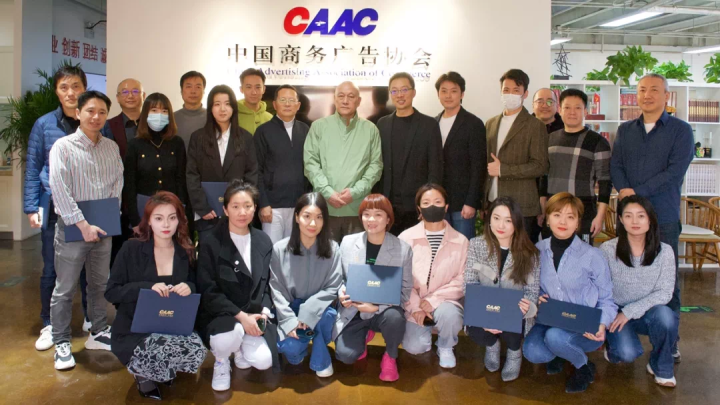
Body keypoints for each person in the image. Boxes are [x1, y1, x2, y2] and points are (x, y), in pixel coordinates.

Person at [610, 73, 694, 362]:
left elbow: (674, 172)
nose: (647, 95)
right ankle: (622, 331)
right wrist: (625, 192)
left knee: (668, 282)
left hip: (663, 217)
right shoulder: (625, 130)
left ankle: (669, 343)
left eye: (654, 90)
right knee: (624, 275)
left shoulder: (681, 131)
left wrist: (636, 194)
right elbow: (616, 165)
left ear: (666, 96)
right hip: (629, 218)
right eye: (642, 90)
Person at [105, 191, 206, 400]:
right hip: (135, 327)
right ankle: (143, 374)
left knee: (196, 352)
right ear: (149, 221)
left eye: (172, 217)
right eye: (159, 218)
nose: (166, 224)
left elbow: (195, 285)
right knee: (157, 354)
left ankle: (159, 367)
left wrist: (188, 287)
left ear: (179, 220)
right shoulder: (131, 248)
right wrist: (146, 288)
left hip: (171, 323)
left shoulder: (185, 250)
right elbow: (112, 291)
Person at [48, 91, 124, 370]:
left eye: (102, 112)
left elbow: (117, 183)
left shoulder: (111, 148)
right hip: (73, 229)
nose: (96, 117)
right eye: (90, 111)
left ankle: (99, 330)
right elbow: (59, 188)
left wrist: (109, 216)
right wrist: (82, 224)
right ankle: (61, 341)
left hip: (103, 228)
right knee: (65, 288)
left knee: (99, 283)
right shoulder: (63, 147)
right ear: (78, 113)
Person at [24, 65, 96, 351]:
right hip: (54, 206)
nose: (70, 92)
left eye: (76, 86)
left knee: (88, 267)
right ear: (56, 91)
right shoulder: (44, 125)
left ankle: (91, 318)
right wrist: (32, 207)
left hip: (88, 206)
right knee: (51, 269)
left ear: (84, 88)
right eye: (64, 87)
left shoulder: (93, 120)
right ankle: (50, 323)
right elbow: (33, 168)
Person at [523, 192, 617, 393]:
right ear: (547, 219)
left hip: (584, 325)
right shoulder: (537, 251)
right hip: (550, 319)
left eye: (570, 217)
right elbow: (533, 287)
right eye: (557, 215)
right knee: (533, 352)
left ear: (577, 223)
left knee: (555, 337)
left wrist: (602, 324)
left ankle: (583, 367)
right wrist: (537, 296)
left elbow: (607, 299)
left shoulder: (593, 255)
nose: (563, 222)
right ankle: (562, 353)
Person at [195, 180, 279, 391]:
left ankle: (240, 347)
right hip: (222, 315)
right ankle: (222, 361)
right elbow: (208, 291)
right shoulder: (211, 242)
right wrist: (241, 317)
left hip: (253, 313)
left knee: (264, 361)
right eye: (235, 206)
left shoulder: (263, 241)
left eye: (248, 206)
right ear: (225, 209)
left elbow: (267, 285)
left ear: (255, 208)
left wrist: (264, 312)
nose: (242, 212)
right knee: (226, 339)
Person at [333, 194, 413, 382]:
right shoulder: (348, 242)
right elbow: (338, 278)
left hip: (384, 311)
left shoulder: (403, 249)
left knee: (395, 318)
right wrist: (341, 292)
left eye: (378, 215)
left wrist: (376, 308)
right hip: (354, 310)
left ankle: (390, 356)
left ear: (388, 219)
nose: (371, 219)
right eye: (366, 214)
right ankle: (363, 336)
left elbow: (404, 291)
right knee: (345, 356)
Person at [601, 195, 678, 388]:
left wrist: (630, 312)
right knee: (626, 354)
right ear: (621, 219)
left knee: (667, 317)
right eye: (628, 216)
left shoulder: (665, 251)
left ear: (650, 219)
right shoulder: (607, 250)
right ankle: (612, 346)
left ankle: (661, 366)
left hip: (648, 311)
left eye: (641, 216)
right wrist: (613, 314)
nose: (634, 221)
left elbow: (665, 293)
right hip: (616, 312)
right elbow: (600, 289)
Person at [464, 196, 540, 382]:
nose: (501, 225)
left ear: (517, 223)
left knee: (514, 323)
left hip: (513, 312)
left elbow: (532, 292)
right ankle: (492, 345)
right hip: (485, 307)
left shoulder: (530, 253)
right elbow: (470, 283)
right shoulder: (476, 245)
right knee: (476, 329)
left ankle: (514, 353)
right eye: (496, 218)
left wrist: (527, 306)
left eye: (508, 220)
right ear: (489, 218)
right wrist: (484, 315)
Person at [270, 193, 343, 377]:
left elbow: (333, 286)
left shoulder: (333, 249)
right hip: (291, 310)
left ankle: (320, 358)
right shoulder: (280, 249)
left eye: (319, 217)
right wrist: (290, 321)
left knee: (327, 317)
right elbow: (276, 289)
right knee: (292, 349)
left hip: (320, 309)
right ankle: (300, 352)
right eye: (307, 216)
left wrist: (308, 312)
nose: (313, 223)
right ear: (297, 217)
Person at [304, 81, 383, 243]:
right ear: (335, 99)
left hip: (358, 209)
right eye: (341, 96)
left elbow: (375, 166)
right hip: (324, 209)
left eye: (351, 96)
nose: (345, 101)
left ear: (359, 101)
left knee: (355, 256)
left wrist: (355, 192)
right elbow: (311, 164)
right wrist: (327, 192)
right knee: (325, 255)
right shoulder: (318, 127)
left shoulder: (370, 129)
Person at [399, 184, 467, 369]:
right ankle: (428, 328)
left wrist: (433, 300)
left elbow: (463, 279)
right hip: (415, 304)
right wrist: (416, 307)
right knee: (415, 347)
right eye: (426, 203)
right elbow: (401, 278)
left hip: (445, 301)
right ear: (419, 208)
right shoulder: (405, 238)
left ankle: (446, 345)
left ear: (446, 206)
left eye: (437, 202)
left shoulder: (461, 241)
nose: (432, 207)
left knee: (450, 315)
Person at [186, 85, 258, 242]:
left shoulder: (245, 138)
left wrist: (243, 206)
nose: (222, 109)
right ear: (210, 108)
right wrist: (202, 207)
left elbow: (251, 174)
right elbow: (192, 175)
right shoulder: (198, 138)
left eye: (227, 104)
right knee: (209, 254)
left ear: (233, 108)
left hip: (238, 215)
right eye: (217, 104)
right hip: (208, 214)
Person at [377, 73, 443, 236]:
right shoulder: (382, 124)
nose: (399, 95)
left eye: (404, 89)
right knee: (389, 249)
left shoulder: (429, 125)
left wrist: (428, 204)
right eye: (394, 91)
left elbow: (435, 166)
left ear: (413, 92)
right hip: (388, 206)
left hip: (416, 206)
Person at [543, 89, 611, 245]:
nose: (572, 112)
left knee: (582, 255)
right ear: (560, 110)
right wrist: (542, 209)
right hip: (553, 211)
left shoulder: (598, 142)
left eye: (578, 108)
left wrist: (600, 216)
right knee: (551, 253)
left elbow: (605, 181)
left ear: (585, 111)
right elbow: (544, 176)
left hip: (583, 212)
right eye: (567, 107)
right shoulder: (550, 139)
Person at [485, 69, 548, 234]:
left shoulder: (535, 125)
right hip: (493, 202)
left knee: (521, 250)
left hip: (521, 206)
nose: (510, 94)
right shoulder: (490, 123)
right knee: (495, 249)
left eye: (516, 90)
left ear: (525, 93)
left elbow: (540, 166)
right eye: (506, 90)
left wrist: (503, 170)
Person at [123, 93, 187, 235]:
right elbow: (129, 185)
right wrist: (134, 219)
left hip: (171, 210)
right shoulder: (135, 144)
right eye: (154, 110)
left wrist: (182, 212)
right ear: (146, 113)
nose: (159, 115)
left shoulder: (177, 143)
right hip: (143, 210)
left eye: (164, 111)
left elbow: (181, 180)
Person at [434, 71, 487, 240]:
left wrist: (471, 202)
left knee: (463, 246)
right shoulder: (433, 123)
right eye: (444, 91)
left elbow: (478, 166)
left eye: (453, 91)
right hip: (438, 201)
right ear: (438, 94)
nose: (448, 95)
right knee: (441, 247)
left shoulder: (473, 123)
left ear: (462, 94)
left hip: (462, 203)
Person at [255, 85, 311, 243]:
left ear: (298, 105)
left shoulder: (305, 130)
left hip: (299, 205)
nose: (287, 104)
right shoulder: (263, 131)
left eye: (291, 100)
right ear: (274, 104)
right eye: (283, 100)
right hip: (272, 207)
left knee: (294, 251)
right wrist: (263, 203)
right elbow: (256, 170)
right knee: (272, 251)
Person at [532, 88, 564, 242]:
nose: (545, 105)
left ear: (557, 106)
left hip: (557, 196)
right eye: (540, 101)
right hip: (527, 196)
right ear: (533, 105)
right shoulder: (524, 127)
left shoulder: (566, 128)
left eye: (550, 102)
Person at [107, 78, 146, 158]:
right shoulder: (108, 126)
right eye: (125, 92)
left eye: (135, 91)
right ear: (117, 98)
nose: (130, 96)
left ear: (144, 96)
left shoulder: (153, 123)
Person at [175, 71, 207, 149]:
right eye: (188, 86)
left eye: (198, 87)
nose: (193, 91)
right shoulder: (172, 118)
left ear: (203, 91)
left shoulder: (213, 117)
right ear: (181, 91)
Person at [237, 68, 273, 135]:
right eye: (249, 87)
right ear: (241, 89)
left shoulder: (270, 119)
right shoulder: (233, 117)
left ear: (264, 89)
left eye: (258, 87)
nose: (254, 92)